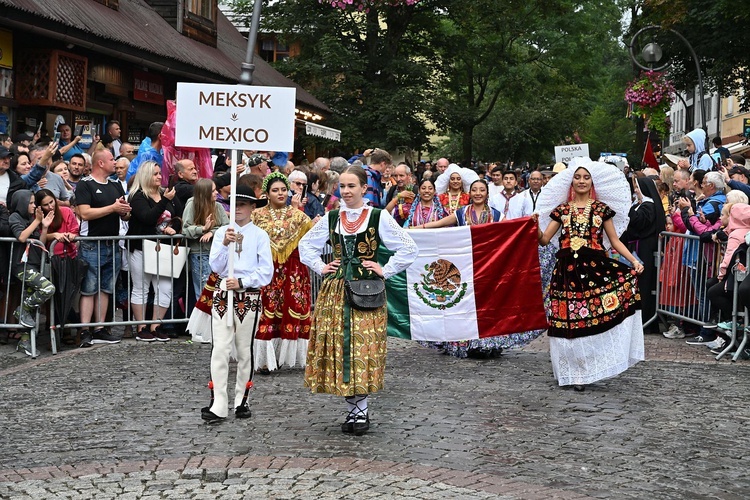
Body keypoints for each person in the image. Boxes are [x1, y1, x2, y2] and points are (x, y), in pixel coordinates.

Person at [299, 165, 417, 435]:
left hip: (366, 291)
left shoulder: (378, 217)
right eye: (342, 186)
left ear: (364, 188)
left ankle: (360, 411)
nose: (346, 191)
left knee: (362, 348)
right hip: (336, 291)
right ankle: (354, 410)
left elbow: (408, 247)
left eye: (352, 186)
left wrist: (384, 269)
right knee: (341, 347)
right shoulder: (332, 218)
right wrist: (321, 266)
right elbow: (306, 246)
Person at [537, 162, 645, 391]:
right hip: (566, 271)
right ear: (572, 182)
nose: (582, 180)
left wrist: (634, 261)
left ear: (592, 182)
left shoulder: (601, 209)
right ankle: (571, 372)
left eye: (586, 177)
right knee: (568, 321)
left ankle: (588, 369)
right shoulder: (561, 210)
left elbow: (614, 241)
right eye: (578, 177)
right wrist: (533, 225)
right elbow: (545, 239)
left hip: (594, 269)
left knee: (589, 319)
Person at [201, 185, 273, 424]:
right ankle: (218, 402)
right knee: (220, 348)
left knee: (244, 349)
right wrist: (224, 245)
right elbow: (216, 267)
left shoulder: (260, 236)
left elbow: (266, 272)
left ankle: (242, 399)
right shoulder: (222, 232)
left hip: (248, 296)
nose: (238, 209)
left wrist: (242, 280)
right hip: (223, 296)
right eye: (235, 205)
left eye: (243, 205)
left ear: (253, 207)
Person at [251, 172, 314, 373]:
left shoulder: (300, 217)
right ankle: (263, 360)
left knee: (292, 307)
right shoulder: (257, 216)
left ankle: (287, 356)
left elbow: (310, 243)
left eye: (283, 190)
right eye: (275, 190)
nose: (280, 193)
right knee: (266, 311)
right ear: (267, 193)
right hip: (267, 271)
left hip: (293, 272)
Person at [76, 149, 130, 347]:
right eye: (111, 159)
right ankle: (84, 330)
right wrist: (113, 208)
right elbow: (85, 213)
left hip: (113, 243)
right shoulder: (85, 184)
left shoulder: (116, 185)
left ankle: (99, 328)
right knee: (89, 288)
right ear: (100, 163)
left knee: (106, 289)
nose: (114, 162)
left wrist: (124, 212)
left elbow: (124, 214)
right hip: (92, 243)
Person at [126, 160, 183, 342]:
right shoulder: (137, 196)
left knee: (164, 288)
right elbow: (147, 218)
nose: (160, 177)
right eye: (155, 174)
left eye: (160, 173)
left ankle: (156, 325)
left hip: (164, 249)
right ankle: (142, 327)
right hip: (141, 247)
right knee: (141, 287)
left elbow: (178, 216)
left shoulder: (166, 194)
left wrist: (172, 227)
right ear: (146, 175)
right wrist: (165, 200)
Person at [8, 189, 56, 355]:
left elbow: (39, 243)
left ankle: (24, 342)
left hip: (34, 263)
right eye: (30, 202)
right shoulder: (15, 217)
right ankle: (22, 310)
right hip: (22, 266)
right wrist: (36, 221)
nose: (34, 205)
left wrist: (44, 228)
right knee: (47, 288)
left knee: (27, 302)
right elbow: (21, 237)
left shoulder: (33, 218)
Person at [620, 176, 666, 334]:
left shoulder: (649, 205)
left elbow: (639, 223)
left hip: (644, 250)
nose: (635, 191)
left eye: (638, 188)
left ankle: (645, 319)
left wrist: (630, 208)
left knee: (644, 285)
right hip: (638, 248)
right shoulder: (642, 204)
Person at [182, 178, 230, 302]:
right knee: (203, 292)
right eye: (213, 191)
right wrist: (202, 229)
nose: (216, 193)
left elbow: (226, 226)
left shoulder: (218, 206)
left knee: (218, 289)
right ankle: (204, 320)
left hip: (218, 253)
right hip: (199, 253)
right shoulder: (192, 204)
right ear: (204, 192)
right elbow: (185, 229)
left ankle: (215, 320)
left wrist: (211, 232)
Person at [34, 189, 79, 257]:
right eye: (45, 205)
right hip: (48, 257)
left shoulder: (67, 211)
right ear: (39, 206)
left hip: (70, 256)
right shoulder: (37, 217)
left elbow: (75, 232)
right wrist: (54, 235)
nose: (50, 207)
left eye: (51, 202)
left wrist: (71, 235)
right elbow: (38, 238)